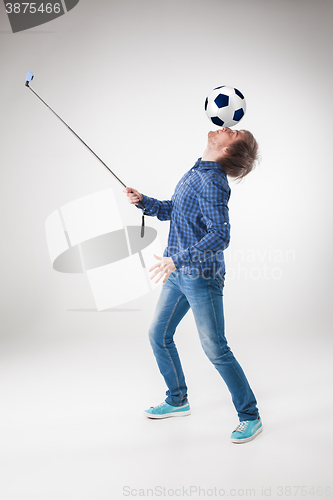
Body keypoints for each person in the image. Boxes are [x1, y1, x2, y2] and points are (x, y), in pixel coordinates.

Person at [123, 127, 262, 444]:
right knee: (158, 334)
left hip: (200, 276)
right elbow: (175, 210)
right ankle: (177, 400)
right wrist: (144, 202)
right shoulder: (198, 169)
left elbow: (220, 237)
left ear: (227, 149)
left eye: (233, 131)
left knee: (216, 349)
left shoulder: (213, 182)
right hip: (178, 271)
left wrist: (177, 259)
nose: (225, 126)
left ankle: (250, 416)